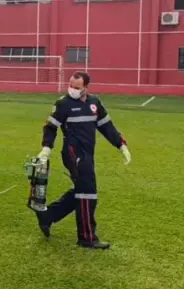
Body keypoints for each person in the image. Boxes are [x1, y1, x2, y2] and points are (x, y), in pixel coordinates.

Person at [33, 71, 132, 249]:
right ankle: (87, 237)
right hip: (72, 153)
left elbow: (106, 126)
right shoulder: (63, 104)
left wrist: (121, 145)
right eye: (70, 85)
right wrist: (46, 148)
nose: (72, 89)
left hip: (88, 153)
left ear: (86, 87)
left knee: (81, 190)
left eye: (76, 87)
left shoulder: (95, 103)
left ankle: (48, 215)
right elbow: (50, 128)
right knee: (88, 192)